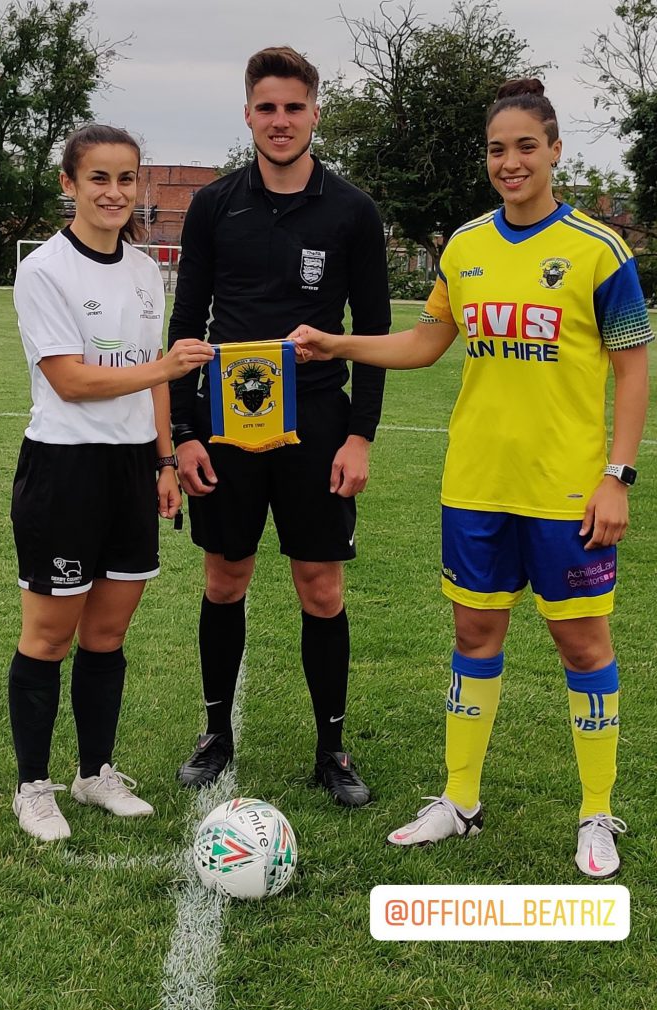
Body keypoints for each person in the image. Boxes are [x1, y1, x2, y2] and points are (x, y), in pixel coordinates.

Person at [291, 79, 652, 875]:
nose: (511, 161)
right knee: (472, 634)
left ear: (555, 150)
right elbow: (426, 341)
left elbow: (632, 369)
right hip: (474, 485)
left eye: (526, 146)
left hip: (564, 490)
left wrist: (615, 475)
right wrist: (341, 344)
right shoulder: (464, 248)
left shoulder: (599, 251)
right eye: (497, 149)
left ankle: (596, 812)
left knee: (581, 642)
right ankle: (458, 800)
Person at [168, 46, 391, 806]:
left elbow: (375, 331)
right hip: (226, 423)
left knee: (319, 586)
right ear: (247, 114)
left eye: (293, 107)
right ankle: (215, 733)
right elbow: (185, 320)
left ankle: (332, 749)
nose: (280, 121)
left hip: (319, 425)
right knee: (224, 578)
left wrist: (359, 435)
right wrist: (183, 432)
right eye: (266, 107)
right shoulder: (214, 205)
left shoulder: (351, 210)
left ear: (314, 113)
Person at [10, 124, 214, 840]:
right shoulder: (43, 270)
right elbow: (68, 382)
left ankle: (94, 773)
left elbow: (149, 368)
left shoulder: (142, 268)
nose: (114, 192)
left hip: (132, 468)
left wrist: (163, 460)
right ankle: (33, 786)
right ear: (69, 183)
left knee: (107, 633)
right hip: (65, 468)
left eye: (126, 179)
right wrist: (164, 370)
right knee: (49, 635)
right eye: (98, 178)